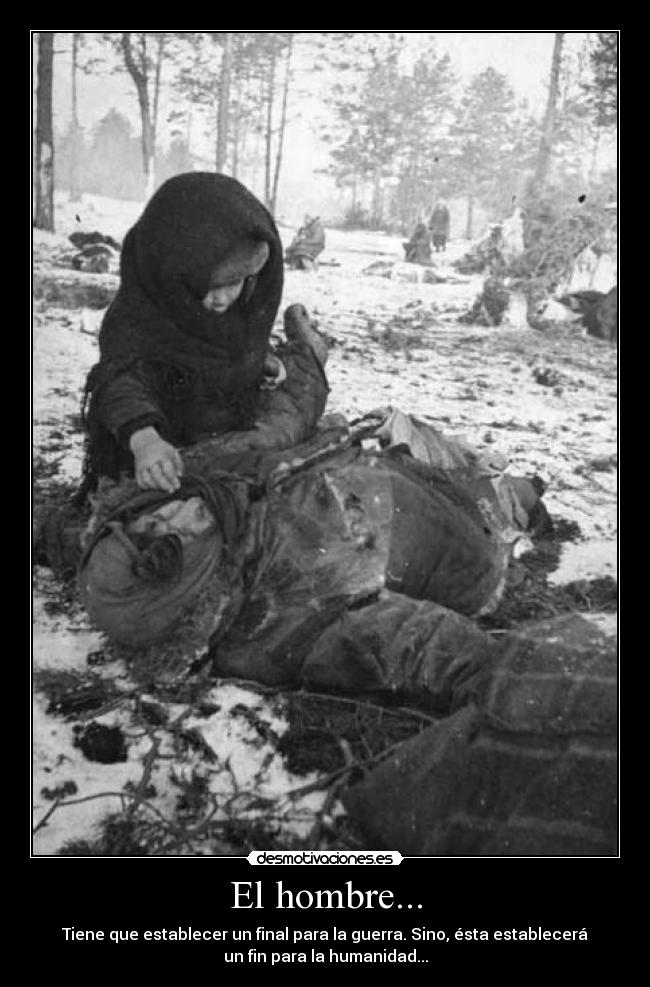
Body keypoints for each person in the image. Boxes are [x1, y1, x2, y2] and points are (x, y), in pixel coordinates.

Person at [81, 173, 329, 499]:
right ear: (172, 277)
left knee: (294, 400)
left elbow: (229, 346)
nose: (222, 299)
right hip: (170, 454)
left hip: (237, 423)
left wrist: (260, 362)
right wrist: (146, 440)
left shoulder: (232, 310)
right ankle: (307, 355)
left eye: (234, 283)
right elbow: (121, 384)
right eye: (209, 287)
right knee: (281, 432)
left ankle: (303, 355)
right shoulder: (141, 319)